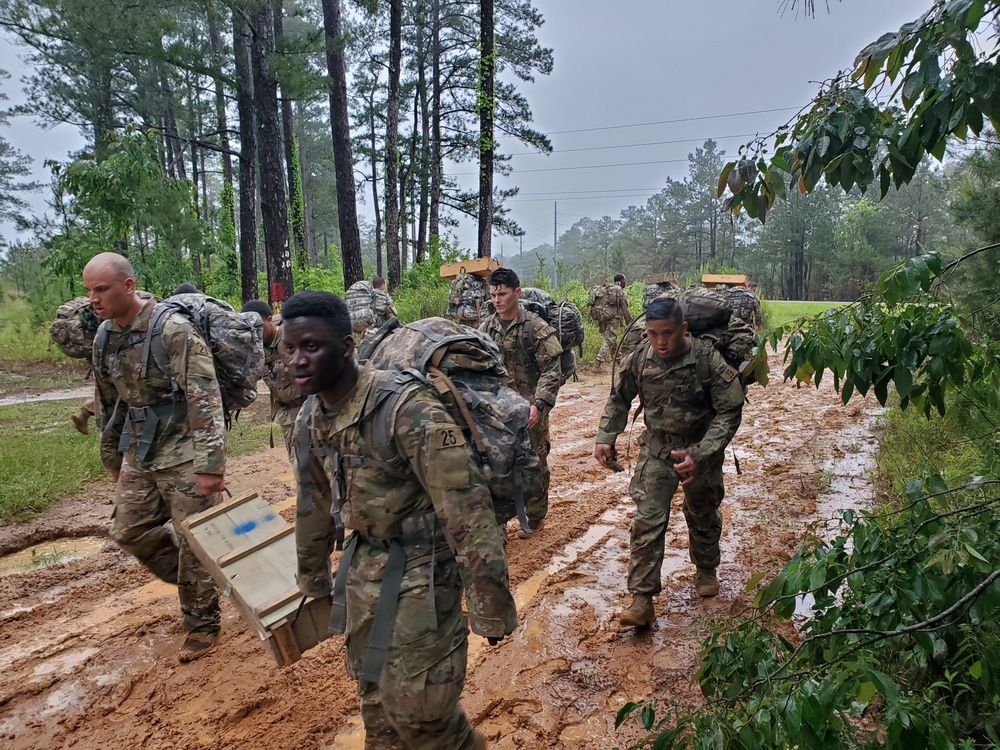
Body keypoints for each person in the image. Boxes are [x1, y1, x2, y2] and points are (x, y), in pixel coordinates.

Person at [286, 290, 515, 750]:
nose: (296, 360)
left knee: (426, 720)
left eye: (310, 346)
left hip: (424, 574)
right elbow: (311, 502)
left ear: (347, 347)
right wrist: (312, 579)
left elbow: (468, 512)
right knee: (378, 712)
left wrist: (490, 606)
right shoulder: (311, 417)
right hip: (363, 572)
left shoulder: (407, 409)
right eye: (289, 348)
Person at [84, 252, 225, 662]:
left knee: (194, 538)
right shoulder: (104, 337)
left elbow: (205, 396)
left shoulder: (173, 331)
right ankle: (198, 582)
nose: (94, 299)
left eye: (101, 289)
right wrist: (111, 453)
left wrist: (211, 465)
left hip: (184, 449)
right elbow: (109, 401)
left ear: (128, 286)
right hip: (140, 447)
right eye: (89, 291)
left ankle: (202, 625)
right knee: (128, 531)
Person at [594, 296, 744, 628]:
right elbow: (619, 398)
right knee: (647, 520)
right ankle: (642, 599)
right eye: (653, 333)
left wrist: (703, 453)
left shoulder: (707, 360)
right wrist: (606, 436)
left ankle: (706, 568)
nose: (661, 342)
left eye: (668, 333)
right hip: (657, 449)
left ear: (684, 329)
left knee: (702, 512)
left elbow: (729, 410)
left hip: (699, 450)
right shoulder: (641, 358)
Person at [479, 268, 563, 536]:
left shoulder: (535, 327)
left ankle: (535, 516)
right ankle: (499, 525)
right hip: (496, 411)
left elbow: (552, 368)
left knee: (535, 464)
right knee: (494, 467)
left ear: (517, 292)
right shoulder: (486, 328)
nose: (497, 300)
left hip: (530, 409)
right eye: (493, 294)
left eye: (502, 294)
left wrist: (539, 404)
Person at [241, 300, 304, 461]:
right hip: (287, 415)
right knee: (298, 465)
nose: (253, 332)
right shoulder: (254, 349)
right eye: (248, 328)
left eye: (258, 326)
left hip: (310, 409)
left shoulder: (290, 340)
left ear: (269, 320)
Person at [591, 273, 633, 368]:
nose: (625, 282)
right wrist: (631, 324)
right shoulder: (620, 292)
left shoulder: (606, 290)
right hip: (613, 319)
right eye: (624, 281)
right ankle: (597, 364)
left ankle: (619, 363)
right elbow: (625, 310)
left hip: (603, 318)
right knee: (609, 340)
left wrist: (600, 325)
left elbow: (602, 306)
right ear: (621, 281)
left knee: (613, 341)